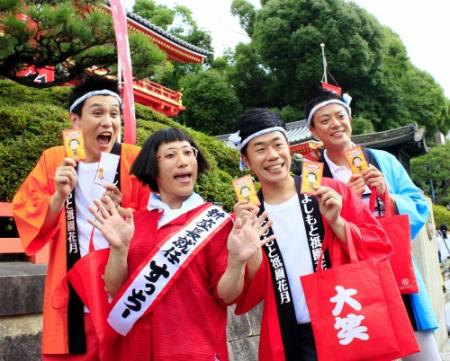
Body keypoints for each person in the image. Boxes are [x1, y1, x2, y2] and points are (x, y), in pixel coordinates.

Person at [86, 127, 272, 361]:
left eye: (188, 152)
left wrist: (236, 263)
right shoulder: (134, 223)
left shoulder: (218, 223)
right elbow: (115, 288)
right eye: (171, 155)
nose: (183, 161)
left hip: (196, 352)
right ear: (153, 168)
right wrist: (119, 249)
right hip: (137, 352)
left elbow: (226, 297)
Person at [229, 108, 393, 361]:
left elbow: (380, 244)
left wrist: (337, 222)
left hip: (346, 320)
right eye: (260, 149)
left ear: (289, 148)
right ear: (247, 160)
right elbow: (251, 290)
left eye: (277, 145)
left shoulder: (329, 191)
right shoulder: (249, 215)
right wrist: (246, 249)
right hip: (291, 333)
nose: (272, 155)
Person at [12, 74, 151, 360]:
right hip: (74, 298)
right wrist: (58, 197)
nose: (108, 122)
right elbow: (27, 211)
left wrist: (126, 212)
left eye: (114, 114)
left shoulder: (134, 161)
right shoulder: (54, 159)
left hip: (123, 294)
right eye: (97, 113)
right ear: (75, 121)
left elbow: (157, 220)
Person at [305, 88, 441, 361]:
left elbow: (418, 205)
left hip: (394, 267)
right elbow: (310, 229)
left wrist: (389, 196)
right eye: (325, 120)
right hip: (351, 278)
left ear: (350, 119)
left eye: (340, 116)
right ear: (313, 130)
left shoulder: (383, 160)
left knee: (422, 352)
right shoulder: (312, 176)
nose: (335, 124)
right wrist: (345, 202)